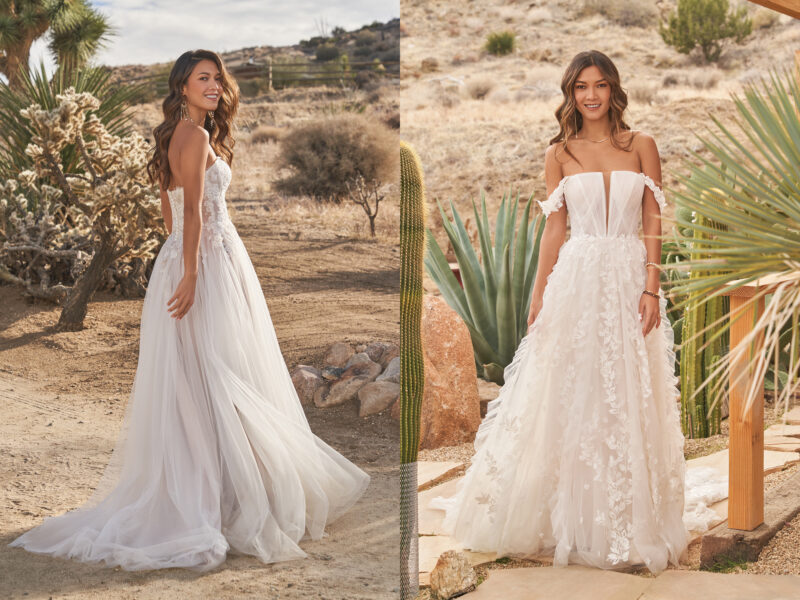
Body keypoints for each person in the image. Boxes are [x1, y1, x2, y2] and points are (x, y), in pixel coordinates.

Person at [9, 49, 370, 571]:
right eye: (204, 78)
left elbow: (168, 211)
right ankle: (222, 499)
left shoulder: (175, 135)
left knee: (197, 379)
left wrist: (180, 259)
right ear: (182, 86)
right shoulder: (195, 136)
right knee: (219, 374)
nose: (215, 85)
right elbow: (196, 210)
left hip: (186, 258)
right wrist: (195, 274)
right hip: (203, 264)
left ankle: (217, 491)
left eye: (218, 78)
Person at [430, 50, 726, 575]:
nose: (590, 96)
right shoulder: (560, 153)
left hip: (629, 275)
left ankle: (630, 519)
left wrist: (652, 287)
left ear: (614, 90)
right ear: (571, 94)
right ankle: (575, 516)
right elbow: (554, 230)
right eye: (581, 87)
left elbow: (654, 216)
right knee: (574, 393)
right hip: (577, 279)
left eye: (600, 85)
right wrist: (539, 294)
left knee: (629, 392)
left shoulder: (643, 146)